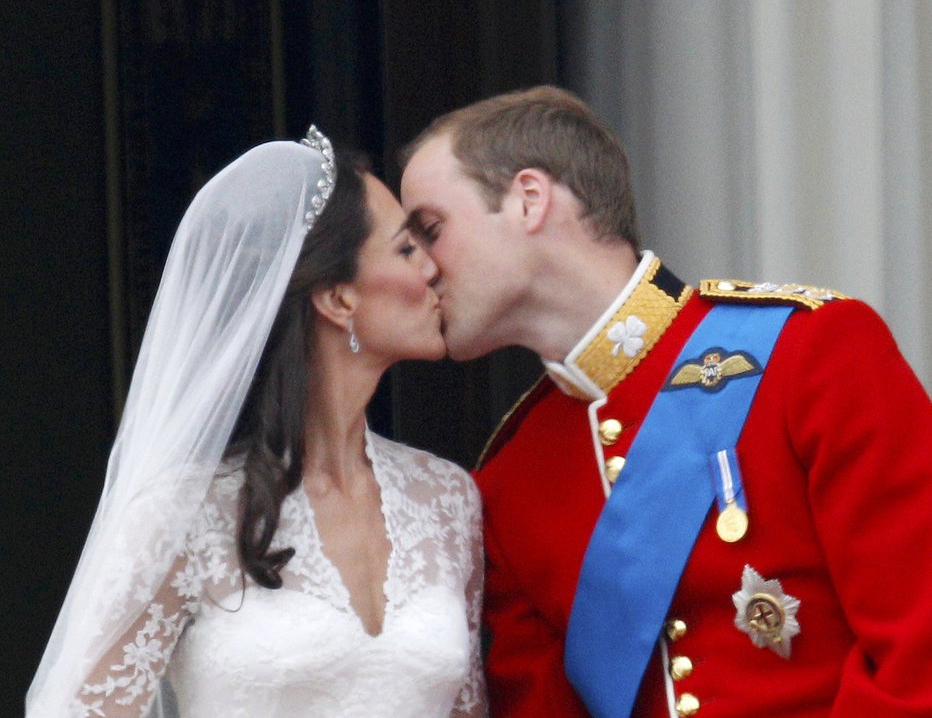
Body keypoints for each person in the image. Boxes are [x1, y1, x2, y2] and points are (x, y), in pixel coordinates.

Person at [399, 85, 932, 717]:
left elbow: (918, 651)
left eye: (430, 230)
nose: (420, 269)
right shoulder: (510, 479)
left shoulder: (809, 351)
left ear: (528, 199)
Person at [27, 128, 486, 717]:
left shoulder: (449, 500)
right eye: (405, 250)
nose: (433, 269)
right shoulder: (184, 513)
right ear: (339, 298)